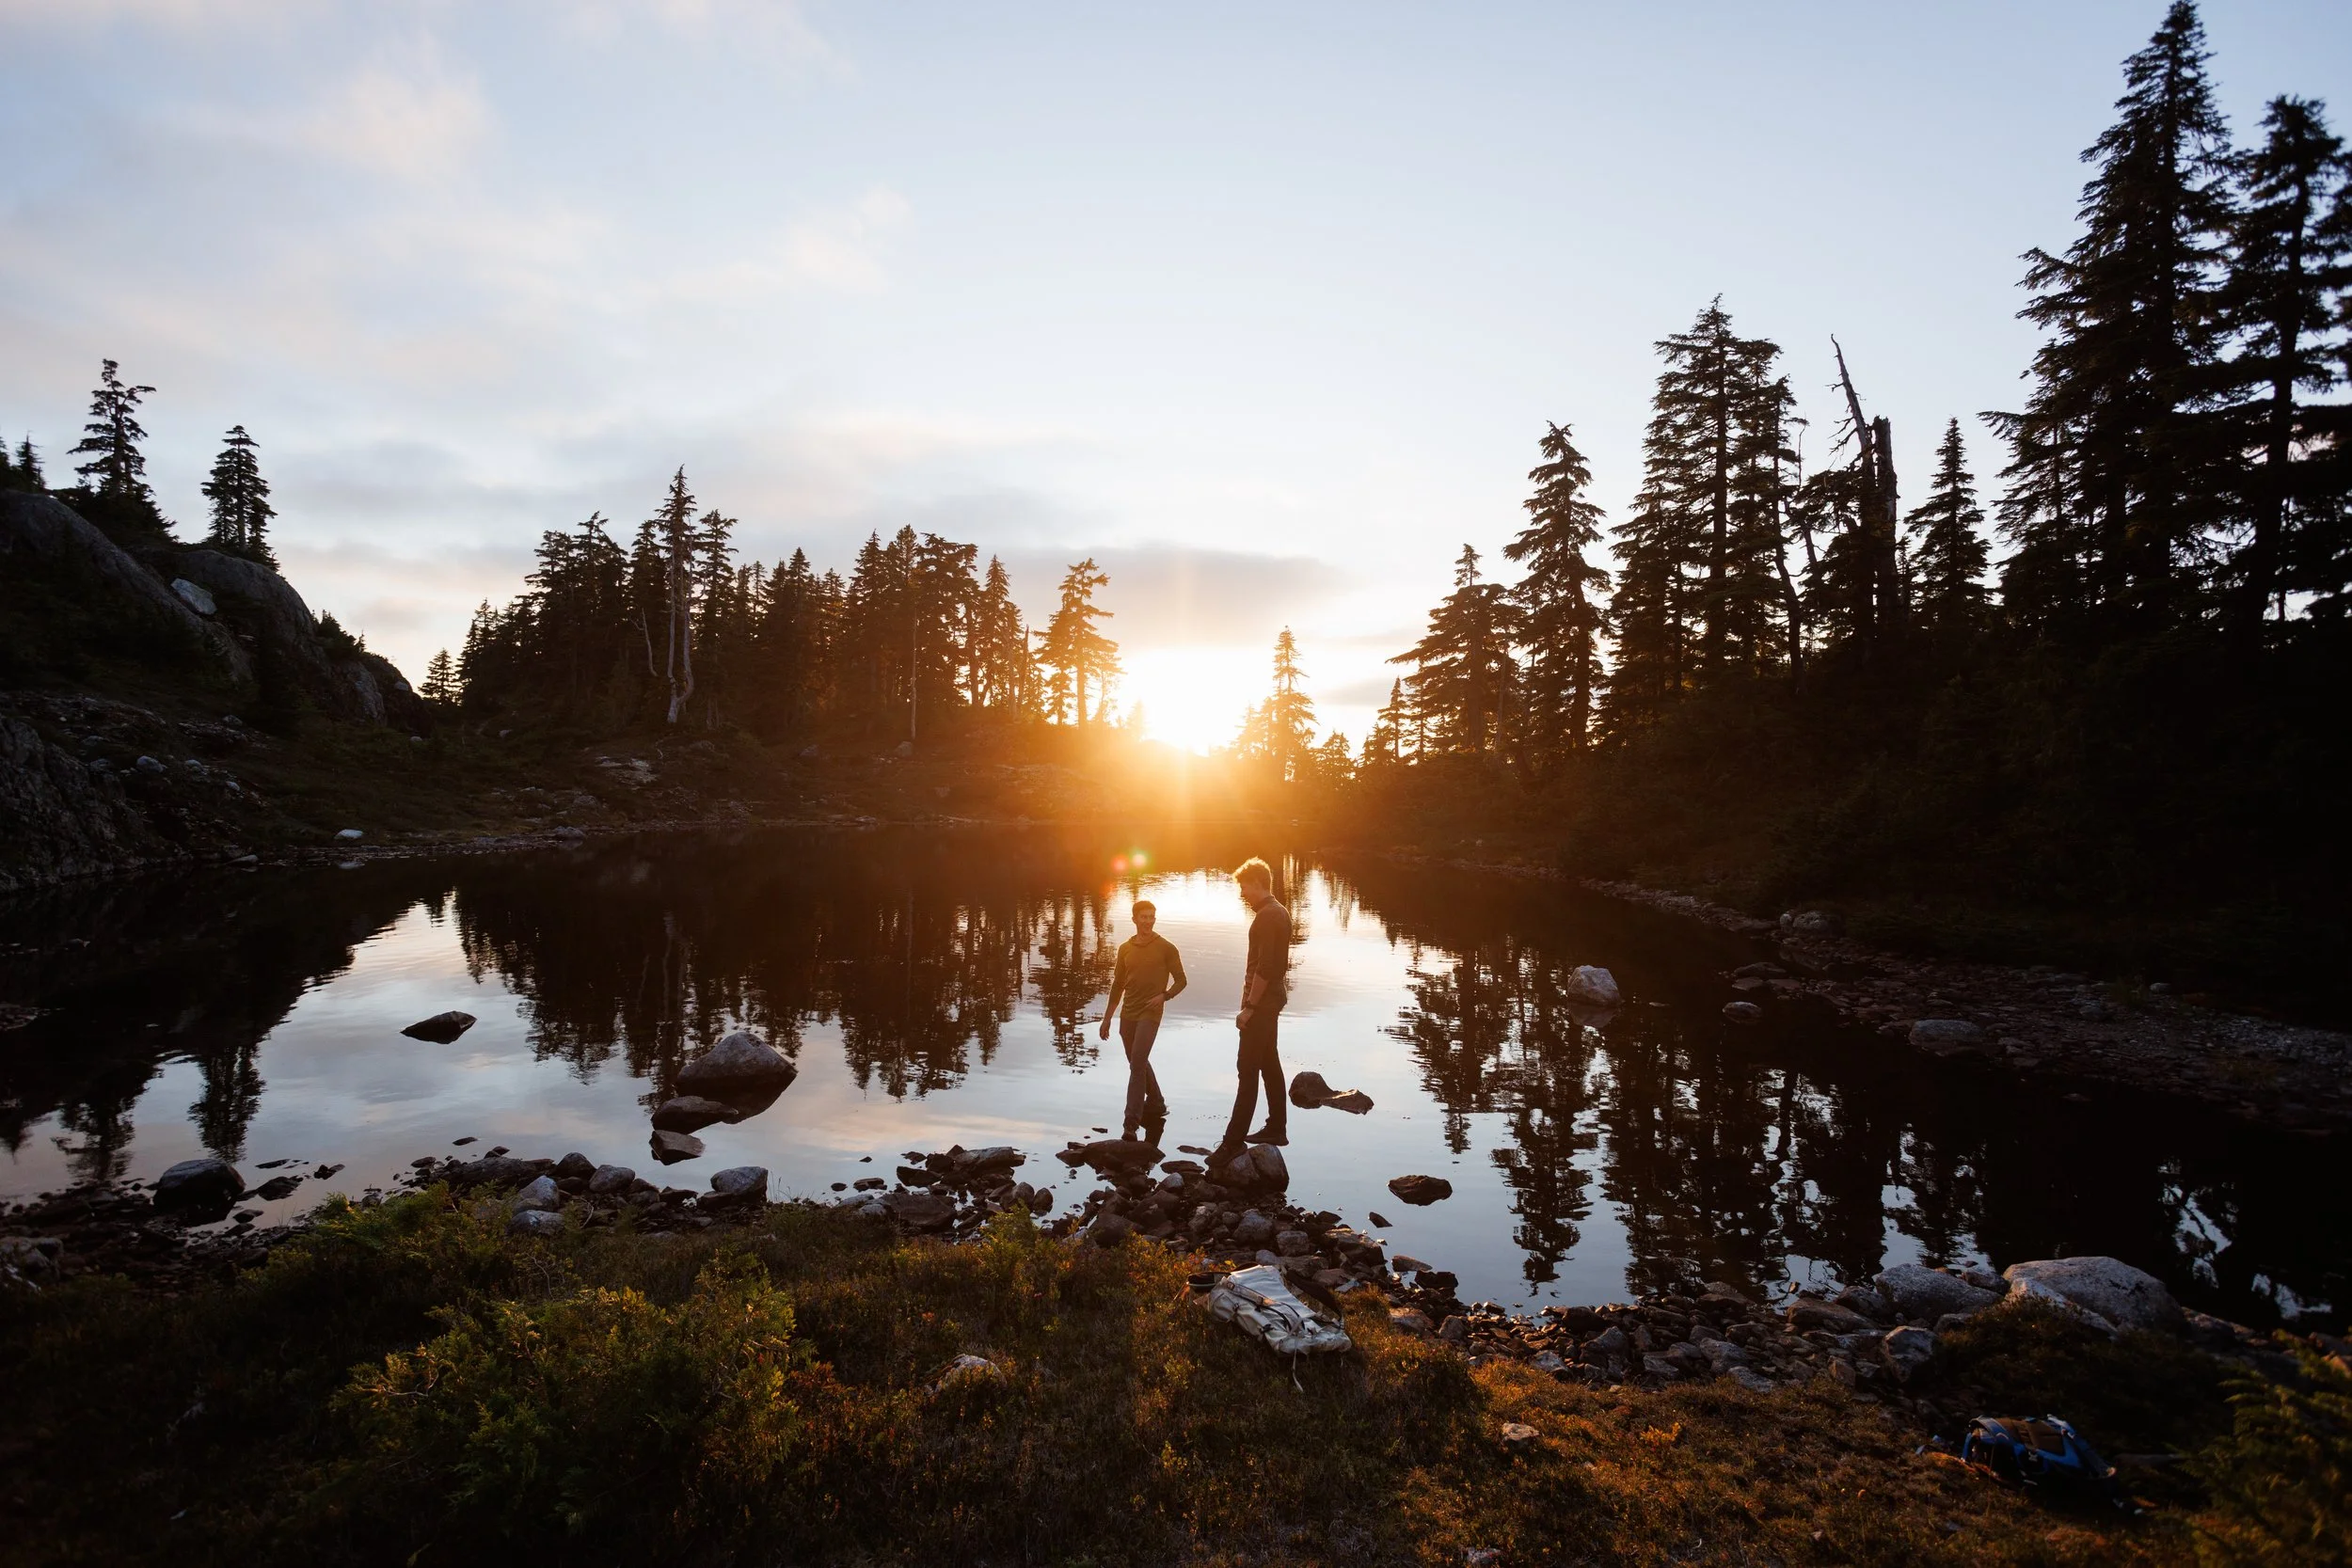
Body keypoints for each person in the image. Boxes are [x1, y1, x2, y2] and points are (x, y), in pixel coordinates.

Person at [1217, 856, 1292, 1154]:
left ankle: (1232, 1142)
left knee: (1247, 1068)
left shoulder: (1267, 916)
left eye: (1245, 887)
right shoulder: (1278, 911)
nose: (1242, 894)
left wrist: (1249, 1007)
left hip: (1261, 1004)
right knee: (1269, 1063)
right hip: (1271, 1001)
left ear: (1259, 884)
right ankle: (1276, 1129)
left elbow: (1267, 967)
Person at [1099, 897, 1186, 1137]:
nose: (1148, 921)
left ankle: (1131, 1123)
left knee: (1137, 1063)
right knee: (1136, 1060)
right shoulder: (1125, 949)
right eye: (1143, 917)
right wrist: (1107, 1018)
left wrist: (1164, 996)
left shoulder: (1167, 947)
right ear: (1135, 919)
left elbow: (1182, 980)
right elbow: (1117, 986)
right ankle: (1156, 1100)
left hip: (1151, 1012)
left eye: (1151, 917)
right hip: (1128, 1012)